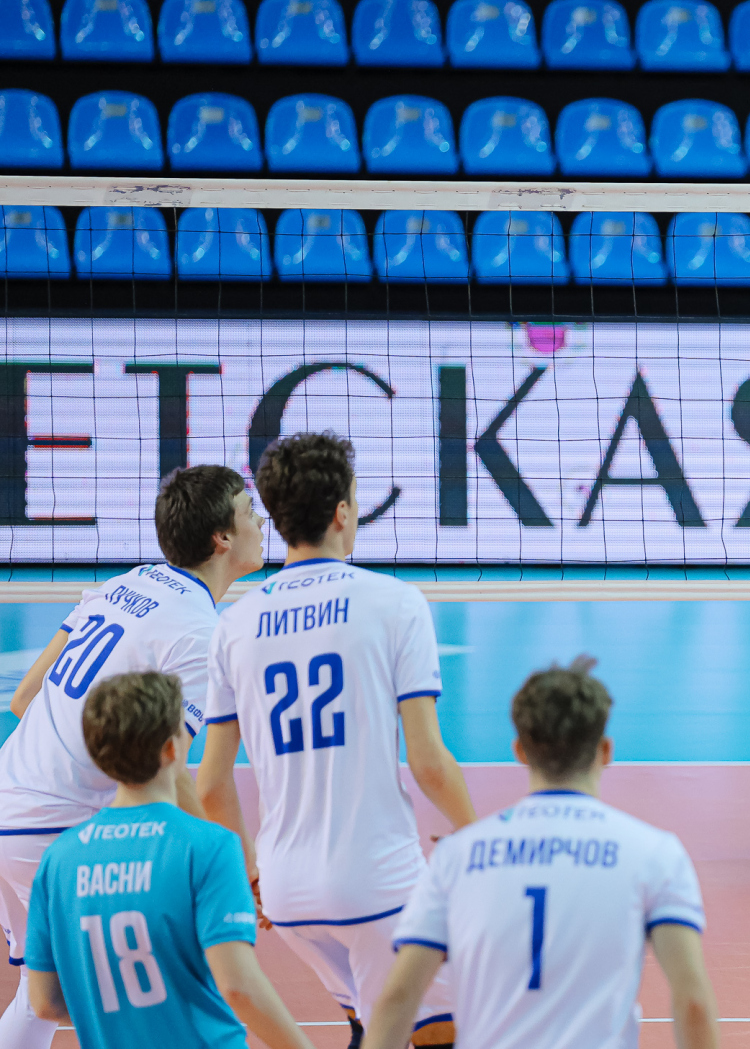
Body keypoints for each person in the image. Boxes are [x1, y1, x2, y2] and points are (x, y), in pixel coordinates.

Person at [198, 433, 476, 1049]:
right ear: (343, 512)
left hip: (286, 891)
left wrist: (251, 873)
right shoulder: (394, 603)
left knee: (369, 1023)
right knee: (449, 1029)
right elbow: (428, 761)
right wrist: (479, 839)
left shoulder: (234, 625)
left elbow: (211, 784)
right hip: (377, 883)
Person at [0, 464, 265, 1049]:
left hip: (7, 800)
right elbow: (177, 776)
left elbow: (23, 699)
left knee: (41, 998)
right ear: (222, 537)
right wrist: (237, 871)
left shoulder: (130, 582)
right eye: (250, 512)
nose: (261, 523)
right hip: (55, 824)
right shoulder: (199, 634)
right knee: (151, 988)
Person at [367, 658, 718, 1049]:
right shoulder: (654, 854)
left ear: (520, 750)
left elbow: (399, 998)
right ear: (605, 750)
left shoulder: (457, 857)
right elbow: (693, 1003)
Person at [24, 670, 311, 1049]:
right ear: (172, 748)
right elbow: (238, 985)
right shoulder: (208, 845)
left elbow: (45, 1002)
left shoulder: (59, 860)